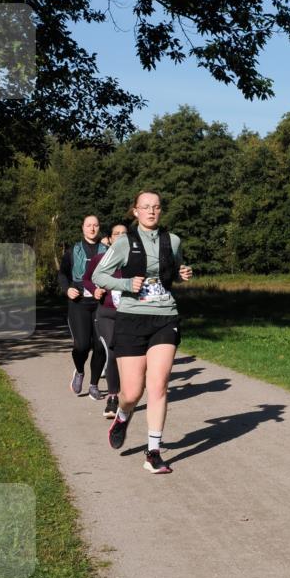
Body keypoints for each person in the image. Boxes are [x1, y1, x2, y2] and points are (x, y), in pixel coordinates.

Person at [92, 190, 193, 473]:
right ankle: (123, 416)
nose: (151, 211)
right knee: (132, 393)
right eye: (145, 207)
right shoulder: (124, 243)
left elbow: (171, 274)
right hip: (131, 319)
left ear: (161, 211)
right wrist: (125, 285)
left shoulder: (172, 241)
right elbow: (100, 275)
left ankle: (153, 452)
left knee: (158, 385)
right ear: (135, 211)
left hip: (165, 316)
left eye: (156, 207)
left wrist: (182, 274)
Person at [57, 215, 109, 396]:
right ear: (83, 228)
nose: (92, 228)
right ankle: (79, 371)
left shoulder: (108, 250)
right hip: (79, 302)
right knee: (82, 346)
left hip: (101, 303)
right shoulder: (73, 251)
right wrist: (67, 289)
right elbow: (62, 274)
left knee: (101, 346)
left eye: (96, 225)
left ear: (99, 227)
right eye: (89, 225)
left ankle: (94, 385)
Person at [82, 222, 129, 418]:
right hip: (106, 313)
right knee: (112, 351)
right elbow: (86, 279)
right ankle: (112, 398)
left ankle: (129, 393)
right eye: (116, 234)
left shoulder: (135, 262)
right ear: (109, 239)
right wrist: (96, 290)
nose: (120, 237)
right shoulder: (99, 259)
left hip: (129, 315)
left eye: (124, 234)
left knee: (128, 356)